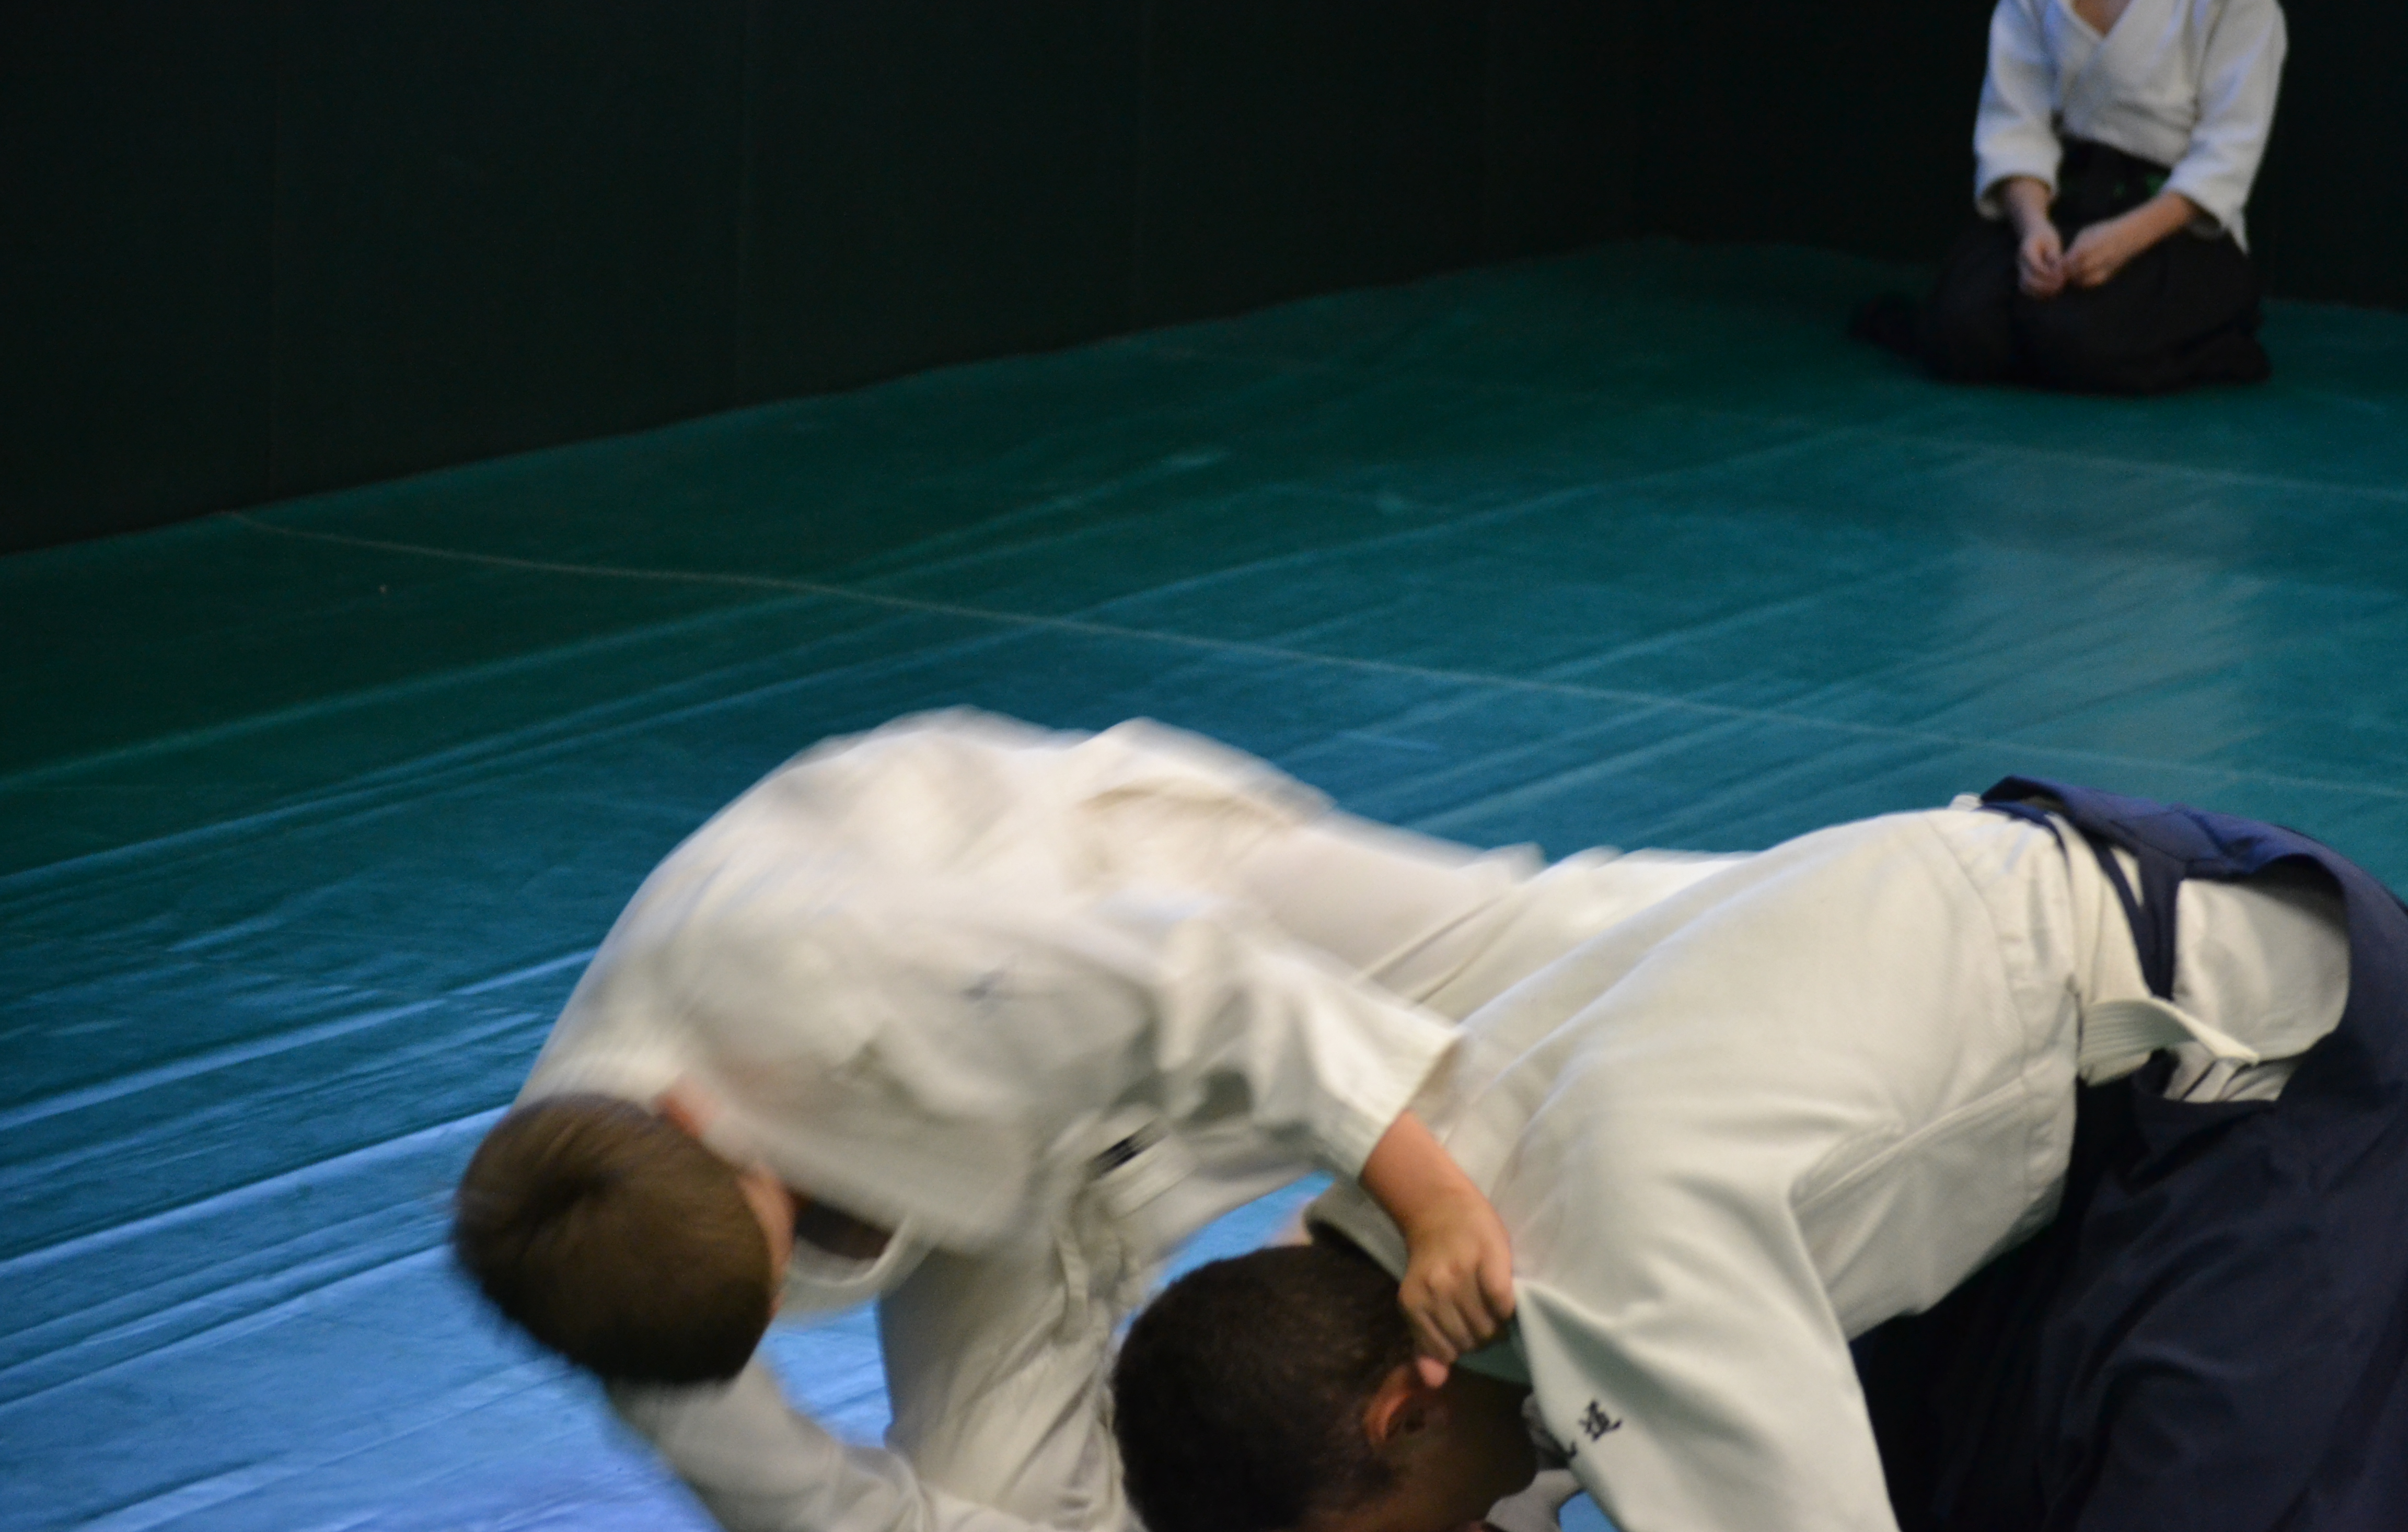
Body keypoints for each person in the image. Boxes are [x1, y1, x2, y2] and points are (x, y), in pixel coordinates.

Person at [452, 710, 1741, 1532]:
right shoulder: (625, 1296)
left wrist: (1436, 1199)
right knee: (1007, 1501)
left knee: (1554, 967)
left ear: (698, 1116)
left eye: (776, 1247)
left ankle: (1857, 895)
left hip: (1130, 895)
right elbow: (829, 1515)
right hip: (993, 1183)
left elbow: (1210, 984)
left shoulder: (834, 976)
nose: (791, 1286)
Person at [1113, 779, 2408, 1532]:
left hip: (2262, 1060)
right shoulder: (1384, 1253)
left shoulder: (1619, 1275)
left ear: (1406, 1411)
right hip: (2031, 1114)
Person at [1851, 0, 2286, 392]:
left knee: (2079, 341)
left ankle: (2218, 341)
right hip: (2062, 204)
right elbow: (2015, 125)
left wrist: (2126, 238)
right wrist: (2033, 227)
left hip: (2172, 226)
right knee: (1962, 330)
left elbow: (2228, 151)